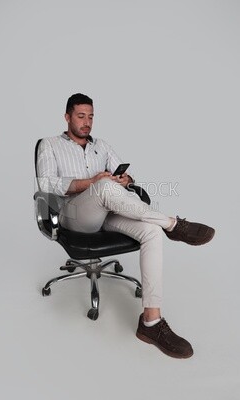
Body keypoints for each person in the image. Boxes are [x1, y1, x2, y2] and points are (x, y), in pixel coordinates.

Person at [37, 93, 215, 359]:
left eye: (91, 117)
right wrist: (93, 182)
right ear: (67, 117)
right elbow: (47, 185)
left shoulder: (102, 146)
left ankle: (151, 323)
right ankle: (173, 224)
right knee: (105, 186)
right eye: (81, 116)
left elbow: (127, 179)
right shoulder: (49, 145)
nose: (87, 122)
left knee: (150, 231)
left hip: (106, 210)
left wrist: (124, 179)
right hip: (73, 214)